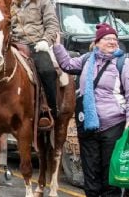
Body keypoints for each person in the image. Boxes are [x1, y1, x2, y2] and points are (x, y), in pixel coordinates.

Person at [53, 23, 129, 197]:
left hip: (113, 125)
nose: (112, 42)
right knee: (90, 177)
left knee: (109, 178)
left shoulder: (123, 63)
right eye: (107, 39)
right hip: (87, 125)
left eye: (114, 39)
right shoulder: (88, 59)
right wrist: (57, 45)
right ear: (97, 42)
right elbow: (67, 64)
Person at [5, 0, 59, 128]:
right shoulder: (8, 1)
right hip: (12, 44)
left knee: (47, 71)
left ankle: (49, 111)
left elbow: (52, 24)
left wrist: (45, 41)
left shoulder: (42, 0)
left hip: (36, 45)